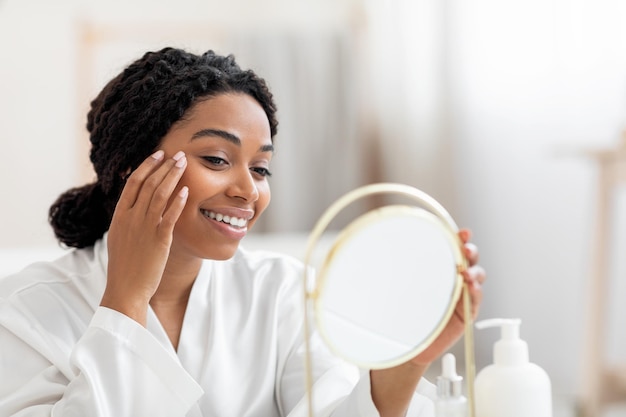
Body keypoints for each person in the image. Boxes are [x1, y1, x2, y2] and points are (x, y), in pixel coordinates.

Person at [0, 47, 485, 417]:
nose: (248, 191)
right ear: (131, 169)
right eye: (216, 159)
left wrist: (407, 363)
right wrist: (126, 302)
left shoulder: (282, 292)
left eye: (260, 169)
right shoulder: (24, 311)